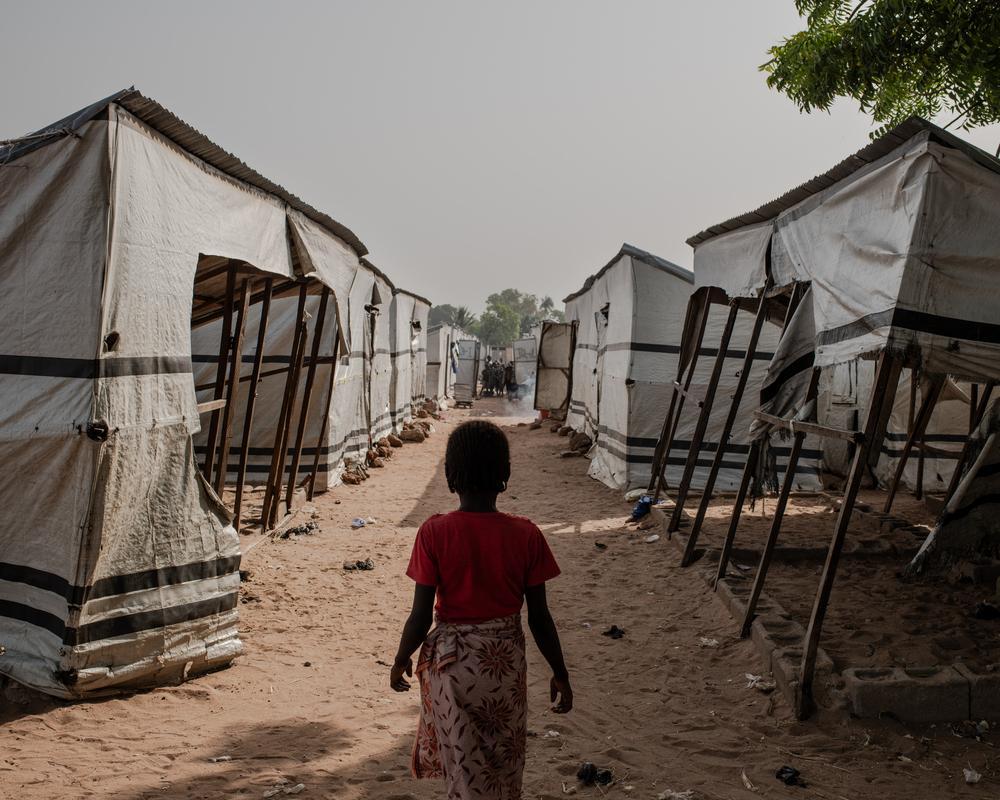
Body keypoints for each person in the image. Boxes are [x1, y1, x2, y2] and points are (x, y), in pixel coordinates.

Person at [390, 420, 572, 799]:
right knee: (503, 764)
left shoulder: (434, 532)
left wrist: (401, 657)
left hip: (451, 669)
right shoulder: (526, 535)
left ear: (451, 475)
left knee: (463, 764)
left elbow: (420, 615)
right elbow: (539, 618)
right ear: (504, 474)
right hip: (503, 667)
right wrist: (560, 672)